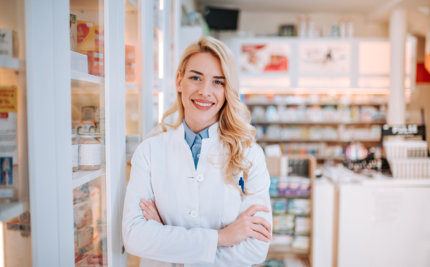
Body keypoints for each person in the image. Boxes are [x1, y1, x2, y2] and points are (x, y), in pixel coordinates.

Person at [122, 36, 272, 266]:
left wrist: (165, 235)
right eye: (195, 78)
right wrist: (222, 238)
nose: (205, 91)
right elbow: (134, 236)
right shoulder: (150, 151)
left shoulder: (249, 155)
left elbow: (255, 248)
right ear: (179, 81)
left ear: (227, 90)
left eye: (218, 82)